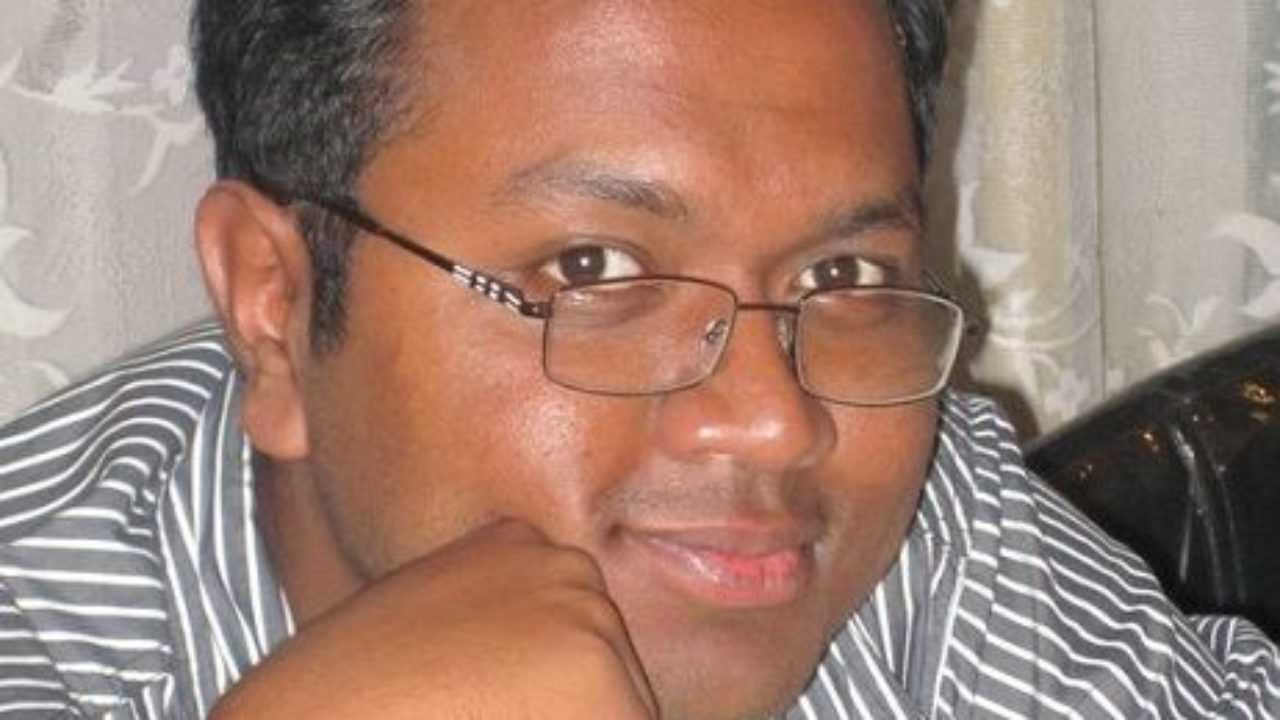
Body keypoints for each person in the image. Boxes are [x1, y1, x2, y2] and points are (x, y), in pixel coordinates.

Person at [0, 0, 1276, 717]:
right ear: (274, 306)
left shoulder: (914, 528)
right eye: (595, 270)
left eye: (837, 276)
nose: (774, 421)